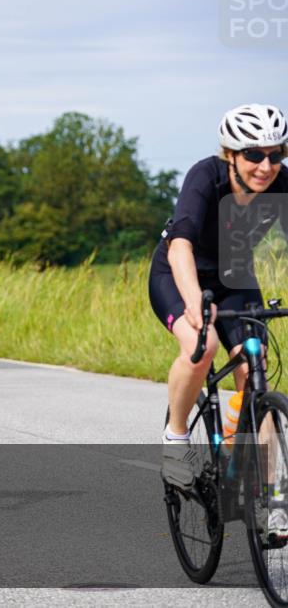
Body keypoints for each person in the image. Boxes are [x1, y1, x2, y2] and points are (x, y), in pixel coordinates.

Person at [151, 104, 287, 525]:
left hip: (234, 275)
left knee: (255, 366)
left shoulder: (282, 183)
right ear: (230, 154)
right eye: (253, 155)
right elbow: (180, 246)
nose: (266, 166)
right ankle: (175, 438)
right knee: (202, 343)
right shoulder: (205, 177)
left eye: (276, 154)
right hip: (179, 272)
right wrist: (194, 301)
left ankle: (271, 497)